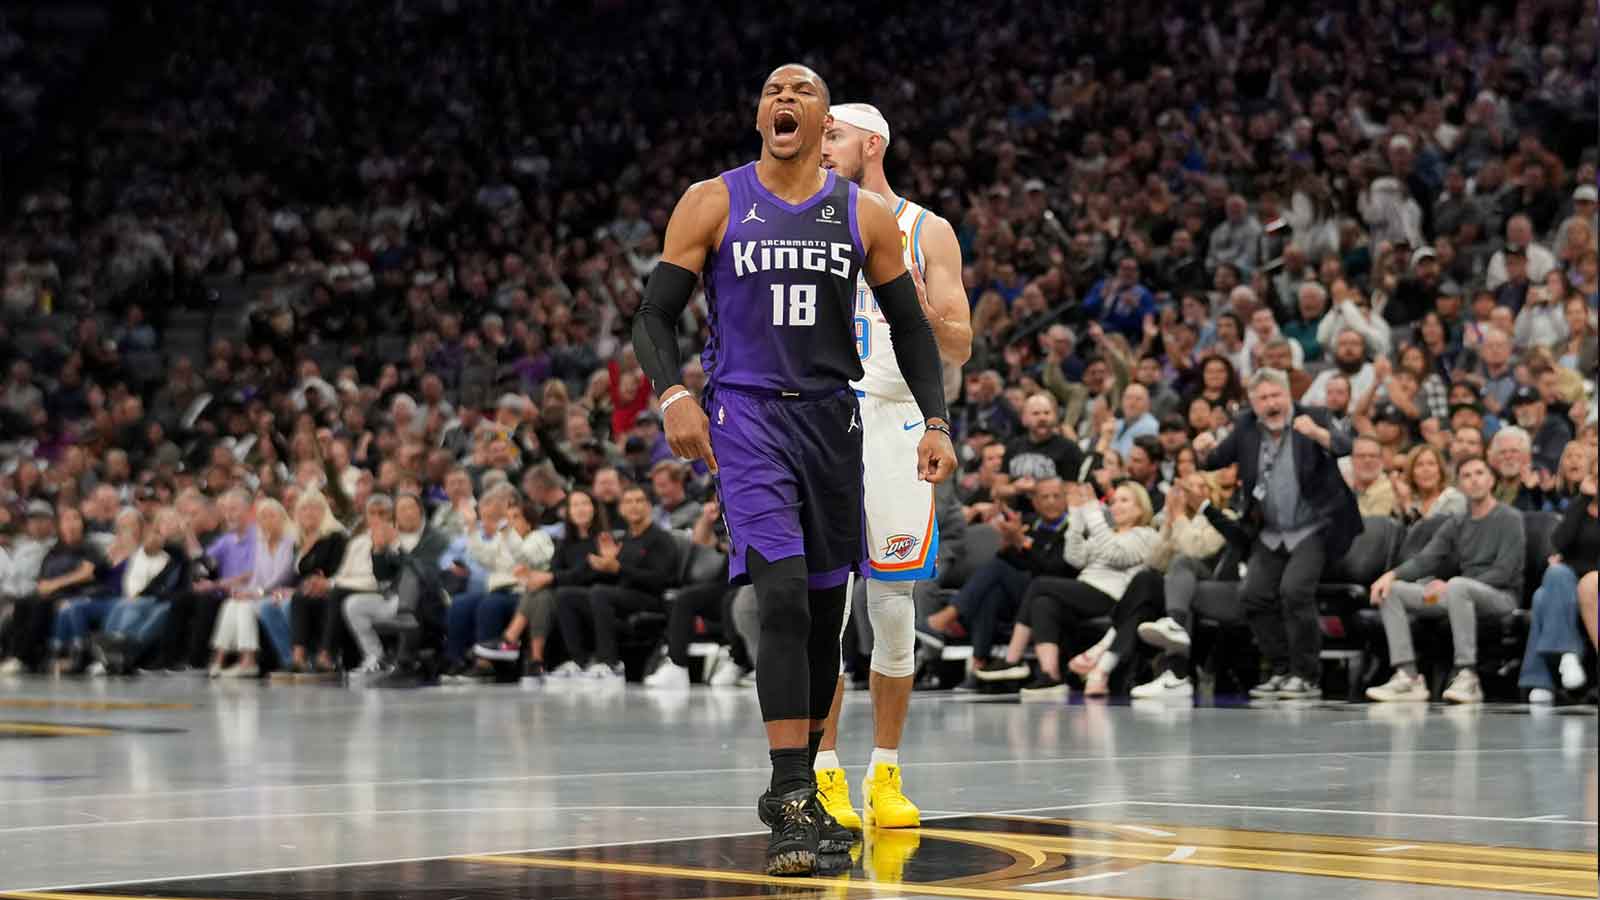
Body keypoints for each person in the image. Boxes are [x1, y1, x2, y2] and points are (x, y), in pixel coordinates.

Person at [629, 63, 954, 876]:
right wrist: (672, 394)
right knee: (777, 598)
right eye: (772, 90)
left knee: (820, 616)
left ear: (823, 121)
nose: (783, 99)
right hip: (746, 419)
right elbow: (653, 313)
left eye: (802, 92)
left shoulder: (862, 214)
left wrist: (937, 420)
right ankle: (787, 796)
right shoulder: (713, 200)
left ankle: (804, 786)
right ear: (760, 114)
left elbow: (914, 330)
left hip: (831, 419)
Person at [810, 101, 972, 834]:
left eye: (833, 135)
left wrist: (914, 301)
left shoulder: (925, 229)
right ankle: (822, 772)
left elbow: (961, 343)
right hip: (826, 418)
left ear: (872, 142)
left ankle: (885, 770)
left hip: (901, 420)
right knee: (826, 606)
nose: (821, 146)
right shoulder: (804, 222)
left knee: (893, 604)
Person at [1193, 368, 1359, 700]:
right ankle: (1282, 670)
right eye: (1263, 398)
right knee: (1253, 595)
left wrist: (1318, 434)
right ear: (1252, 404)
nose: (1271, 404)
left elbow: (1345, 446)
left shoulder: (1314, 416)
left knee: (1294, 591)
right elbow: (1213, 461)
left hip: (1314, 527)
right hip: (1269, 531)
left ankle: (1307, 676)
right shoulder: (1245, 427)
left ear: (1288, 395)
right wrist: (1201, 448)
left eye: (1276, 396)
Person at [1367, 457, 1525, 704]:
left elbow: (1504, 572)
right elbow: (1425, 560)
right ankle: (1408, 677)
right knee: (1393, 591)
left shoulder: (1510, 518)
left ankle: (1468, 675)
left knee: (1457, 586)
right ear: (1460, 485)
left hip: (1501, 598)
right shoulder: (1457, 521)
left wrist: (1453, 584)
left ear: (1491, 480)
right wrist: (1390, 576)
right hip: (1458, 593)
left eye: (1479, 473)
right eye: (1467, 475)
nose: (1474, 480)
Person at [979, 481, 1158, 697]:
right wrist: (1075, 513)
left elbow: (1115, 554)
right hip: (1087, 590)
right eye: (1114, 501)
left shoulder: (1146, 535)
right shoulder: (1107, 533)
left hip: (1113, 598)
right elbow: (1075, 557)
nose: (1116, 506)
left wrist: (1092, 510)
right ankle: (1050, 675)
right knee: (1043, 603)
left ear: (1141, 508)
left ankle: (1012, 659)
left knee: (1040, 584)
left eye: (1124, 500)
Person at [924, 478, 1074, 683]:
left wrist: (1022, 543)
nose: (1050, 501)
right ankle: (979, 664)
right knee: (992, 591)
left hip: (1057, 595)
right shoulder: (1032, 524)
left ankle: (951, 616)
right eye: (1044, 497)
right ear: (1035, 502)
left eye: (1056, 496)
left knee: (997, 571)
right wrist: (1007, 544)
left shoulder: (1072, 526)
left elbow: (1056, 568)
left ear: (1066, 499)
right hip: (1026, 596)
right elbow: (1016, 562)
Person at [551, 485, 678, 679]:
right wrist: (607, 565)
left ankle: (609, 662)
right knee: (566, 595)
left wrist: (617, 568)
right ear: (621, 509)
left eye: (639, 501)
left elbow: (661, 580)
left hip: (649, 598)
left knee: (600, 592)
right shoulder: (624, 539)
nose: (634, 506)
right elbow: (616, 575)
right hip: (621, 596)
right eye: (628, 502)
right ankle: (579, 661)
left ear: (650, 506)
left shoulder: (661, 538)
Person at [1519, 471, 1597, 702]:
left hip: (1592, 584)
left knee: (1543, 597)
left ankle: (1540, 680)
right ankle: (1568, 657)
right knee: (1554, 576)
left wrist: (1573, 562)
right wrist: (1582, 499)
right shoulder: (1581, 508)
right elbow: (1558, 542)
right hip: (1569, 582)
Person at [208, 498, 296, 678]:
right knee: (232, 603)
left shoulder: (289, 542)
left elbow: (283, 576)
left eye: (272, 515)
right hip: (262, 593)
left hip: (279, 593)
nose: (267, 520)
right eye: (263, 517)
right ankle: (219, 658)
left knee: (245, 607)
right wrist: (246, 592)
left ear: (282, 518)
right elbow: (257, 577)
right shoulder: (261, 544)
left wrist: (255, 593)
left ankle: (248, 661)